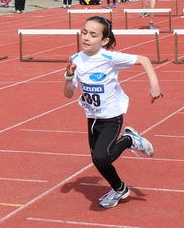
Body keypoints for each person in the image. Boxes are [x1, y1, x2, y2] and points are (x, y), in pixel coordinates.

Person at [64, 16, 163, 208]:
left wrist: (155, 85)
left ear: (104, 41)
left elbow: (144, 60)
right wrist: (69, 76)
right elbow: (68, 94)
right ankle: (120, 189)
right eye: (84, 32)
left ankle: (129, 140)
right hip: (92, 117)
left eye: (93, 35)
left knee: (101, 157)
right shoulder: (76, 60)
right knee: (99, 161)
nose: (86, 38)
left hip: (111, 117)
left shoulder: (110, 57)